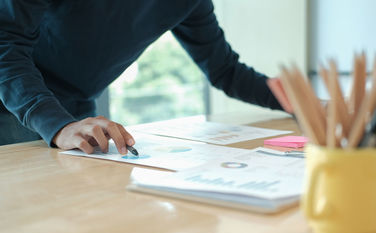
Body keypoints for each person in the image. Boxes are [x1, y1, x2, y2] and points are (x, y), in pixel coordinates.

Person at [0, 0, 290, 154]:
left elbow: (225, 70)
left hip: (77, 110)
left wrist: (300, 103)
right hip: (14, 99)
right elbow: (5, 44)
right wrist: (58, 126)